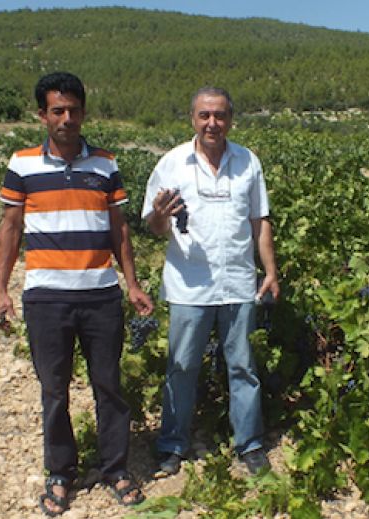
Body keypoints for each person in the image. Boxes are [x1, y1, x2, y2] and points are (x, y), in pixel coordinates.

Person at [0, 72, 153, 516]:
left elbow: (119, 229)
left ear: (84, 113)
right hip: (46, 297)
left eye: (74, 110)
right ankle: (60, 473)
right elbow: (10, 228)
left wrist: (132, 284)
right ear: (42, 115)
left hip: (101, 294)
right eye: (57, 111)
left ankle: (116, 468)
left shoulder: (105, 164)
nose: (67, 118)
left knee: (109, 385)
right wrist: (1, 291)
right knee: (54, 389)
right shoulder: (22, 164)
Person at [141, 86, 280, 476]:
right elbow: (154, 227)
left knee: (243, 367)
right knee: (182, 366)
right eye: (204, 115)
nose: (212, 123)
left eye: (220, 115)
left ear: (230, 119)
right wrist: (160, 215)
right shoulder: (171, 164)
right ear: (193, 119)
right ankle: (172, 444)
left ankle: (250, 444)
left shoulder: (248, 161)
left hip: (238, 282)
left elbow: (260, 222)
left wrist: (270, 271)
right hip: (189, 285)